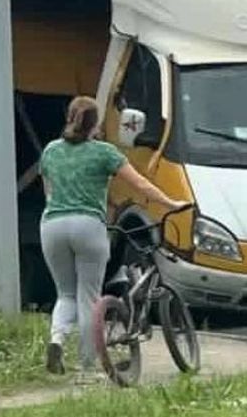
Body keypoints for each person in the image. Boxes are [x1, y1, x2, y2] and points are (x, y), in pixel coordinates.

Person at [38, 95, 188, 380]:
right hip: (88, 226)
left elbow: (49, 192)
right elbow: (140, 184)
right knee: (89, 298)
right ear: (96, 125)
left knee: (65, 293)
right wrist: (171, 204)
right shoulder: (105, 153)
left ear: (68, 117)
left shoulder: (51, 151)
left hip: (52, 224)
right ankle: (87, 365)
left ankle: (56, 340)